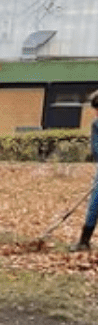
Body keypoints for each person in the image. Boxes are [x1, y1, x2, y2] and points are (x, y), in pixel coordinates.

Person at [70, 90, 98, 251]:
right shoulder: (96, 124)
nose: (96, 113)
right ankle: (84, 241)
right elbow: (95, 149)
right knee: (95, 203)